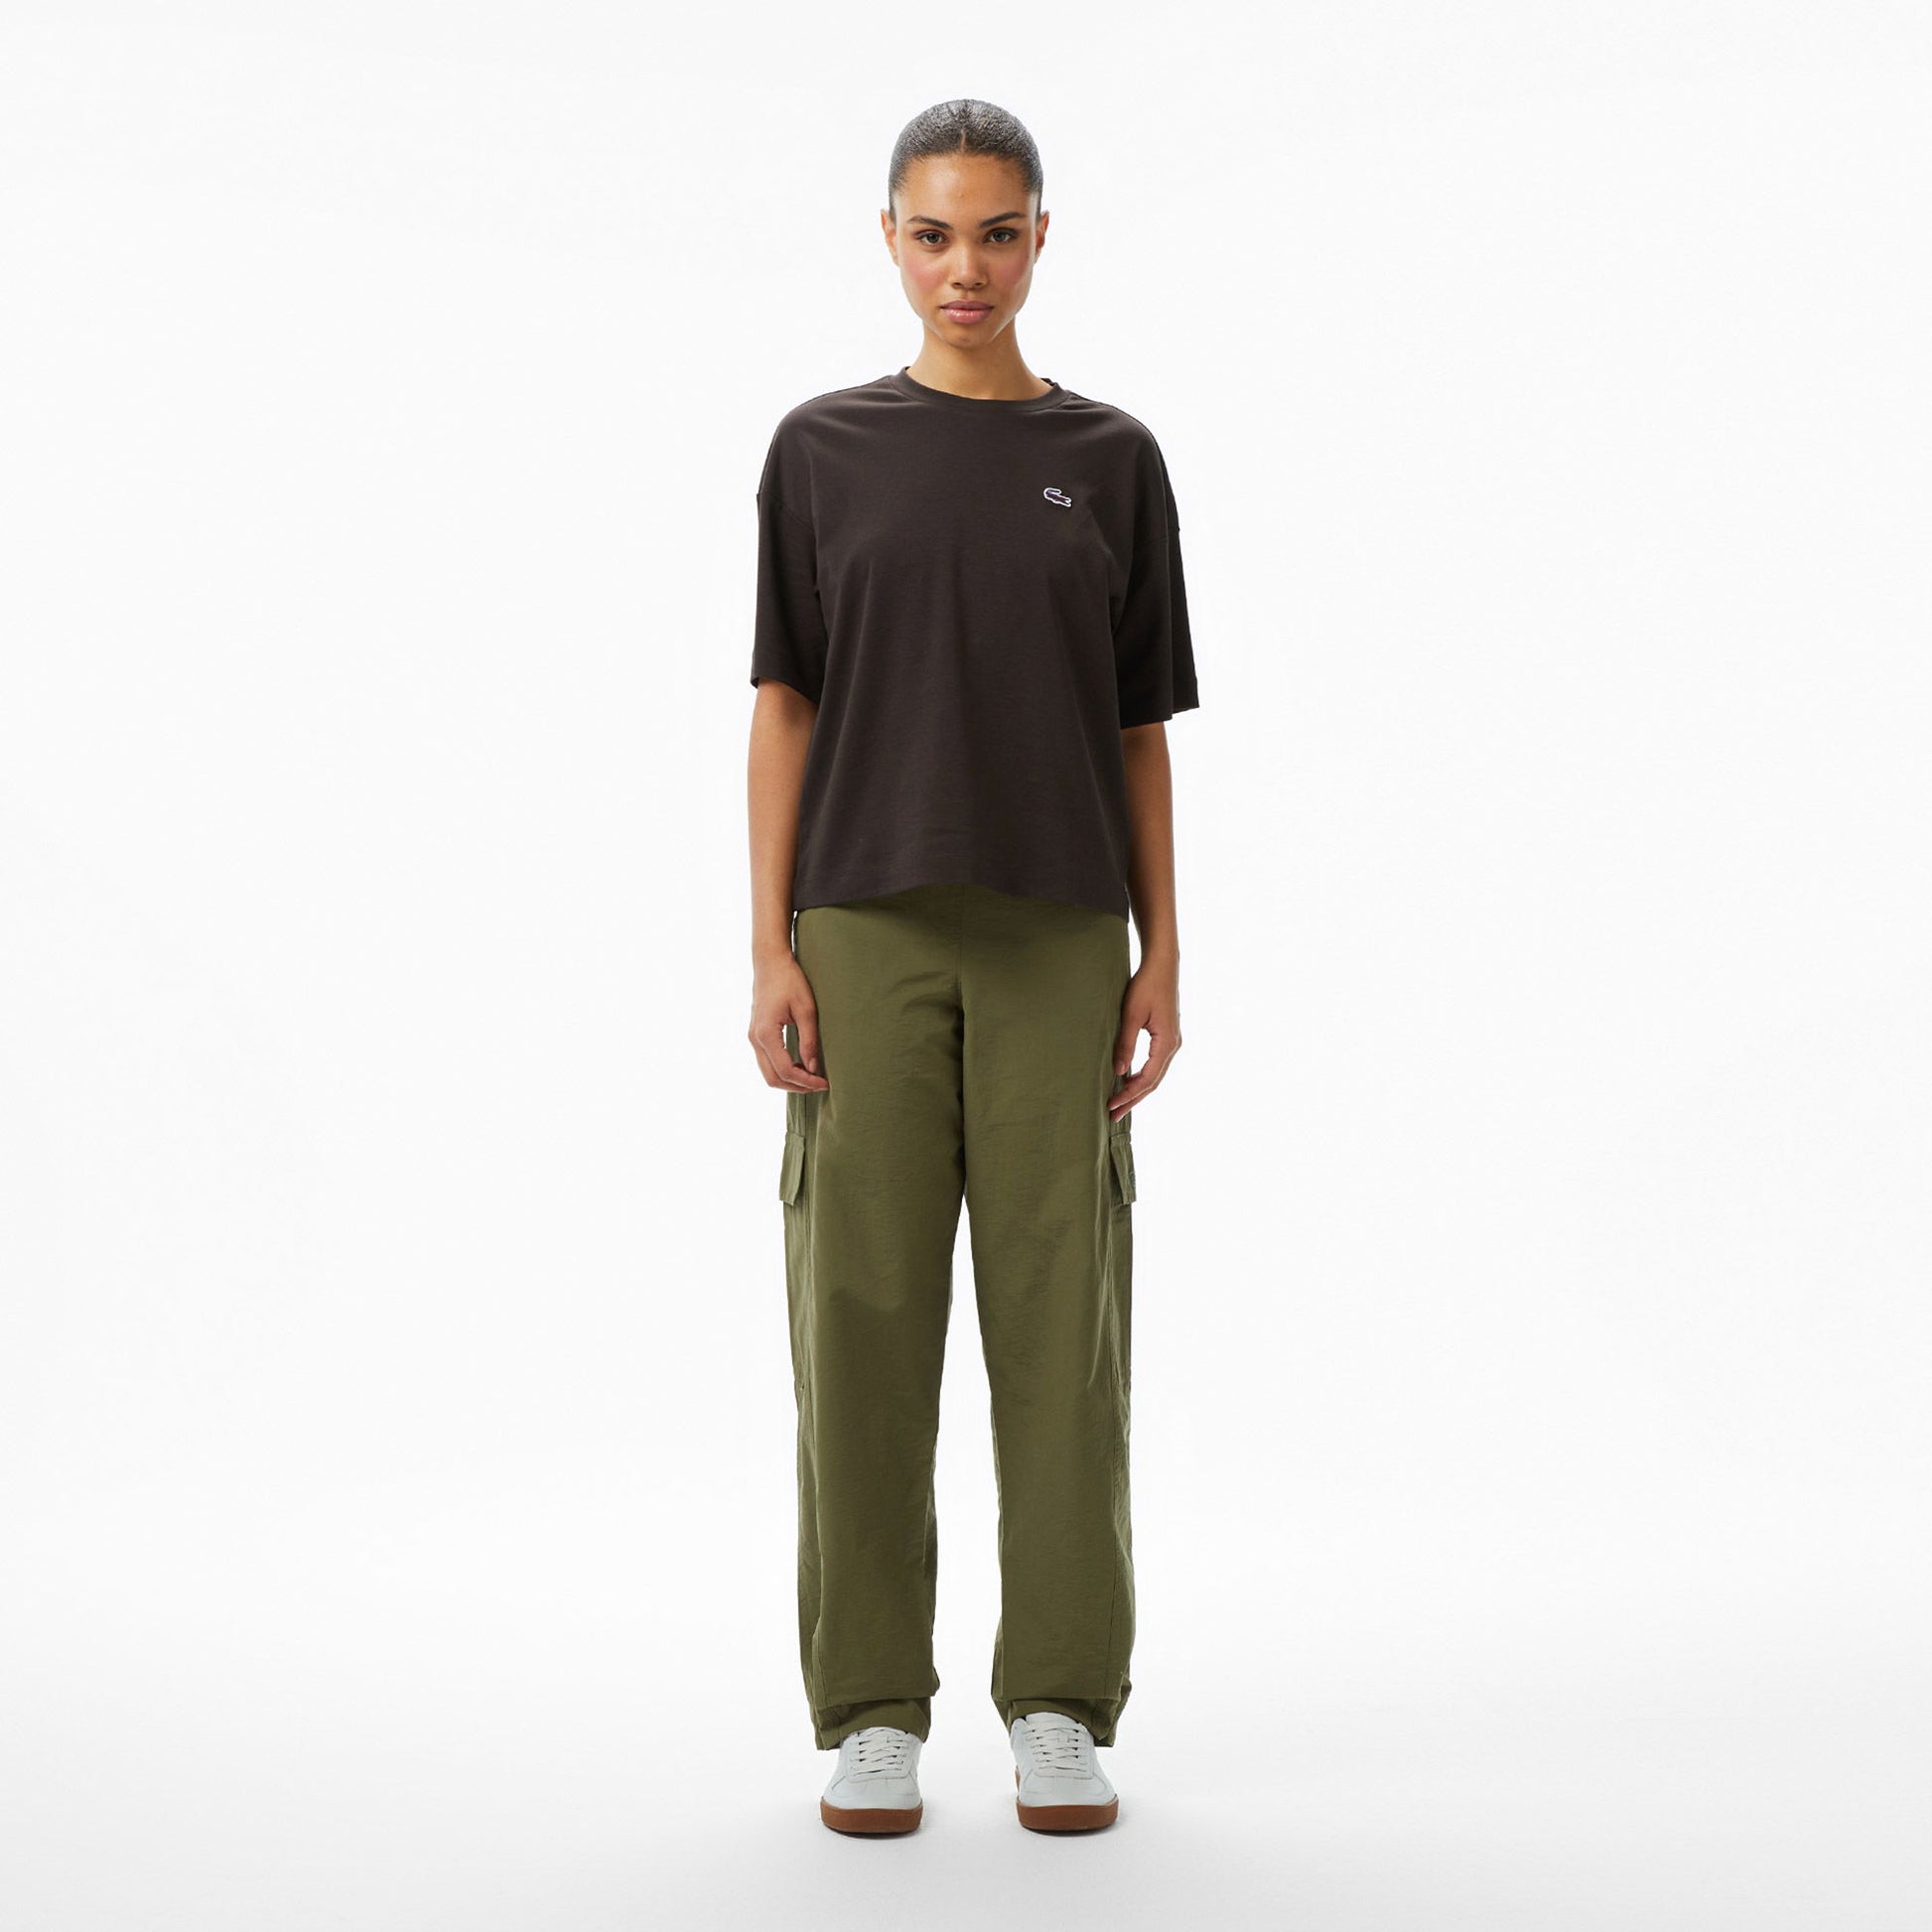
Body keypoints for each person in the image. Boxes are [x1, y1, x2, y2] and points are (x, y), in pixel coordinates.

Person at [745, 98, 1199, 1836]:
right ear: (889, 238)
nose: (965, 267)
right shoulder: (820, 450)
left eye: (996, 233)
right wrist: (770, 943)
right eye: (933, 234)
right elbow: (785, 706)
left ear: (1038, 239)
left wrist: (1161, 951)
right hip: (860, 929)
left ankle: (1060, 1701)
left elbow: (1138, 726)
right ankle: (870, 1707)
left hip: (1059, 934)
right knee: (859, 1322)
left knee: (1060, 1333)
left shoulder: (1113, 457)